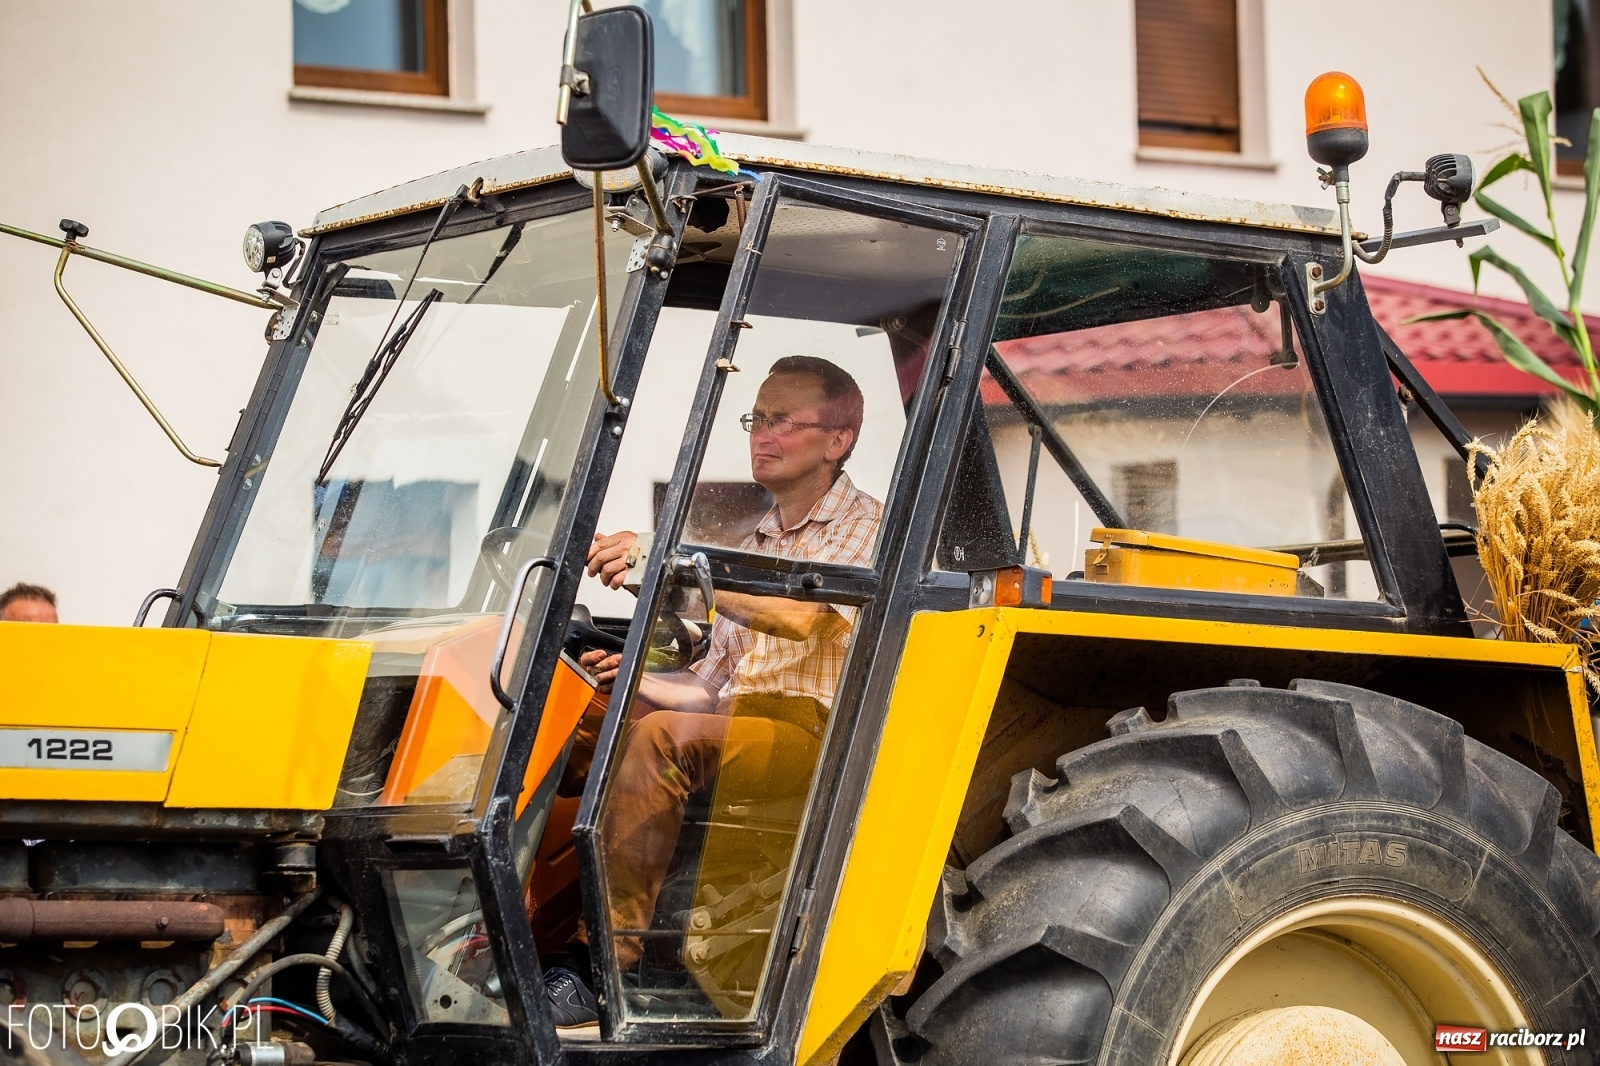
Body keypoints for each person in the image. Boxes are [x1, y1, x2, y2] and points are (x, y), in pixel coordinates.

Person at [545, 356, 882, 1029]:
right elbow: (707, 686)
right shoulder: (757, 540)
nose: (762, 433)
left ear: (838, 440)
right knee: (575, 716)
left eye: (782, 420)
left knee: (659, 741)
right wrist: (632, 681)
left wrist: (663, 561)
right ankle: (501, 925)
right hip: (737, 720)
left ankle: (607, 964)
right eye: (757, 418)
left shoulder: (868, 527)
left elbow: (798, 617)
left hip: (819, 738)